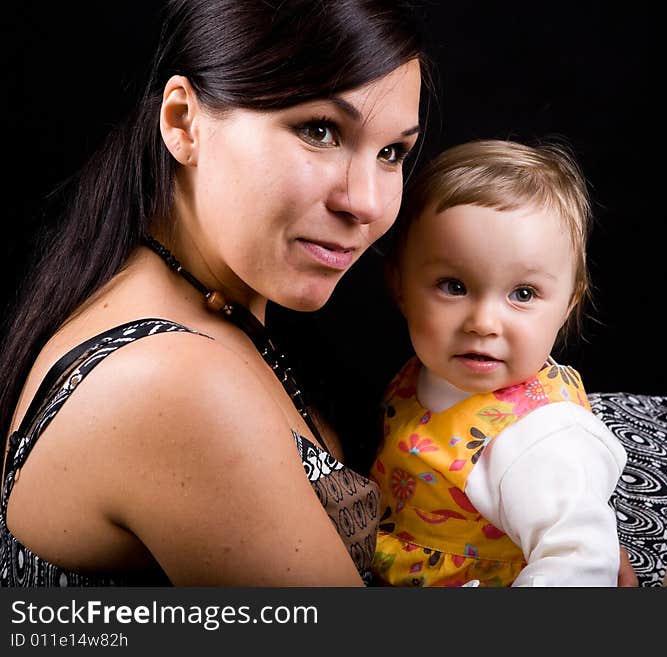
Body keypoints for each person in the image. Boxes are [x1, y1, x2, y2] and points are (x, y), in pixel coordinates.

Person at [0, 0, 427, 587]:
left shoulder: (195, 299)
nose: (366, 203)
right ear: (182, 123)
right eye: (319, 130)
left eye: (391, 153)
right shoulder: (175, 383)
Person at [369, 139, 629, 586]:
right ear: (400, 286)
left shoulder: (539, 437)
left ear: (568, 305)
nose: (484, 323)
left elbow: (580, 562)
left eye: (522, 294)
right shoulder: (426, 373)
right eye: (453, 286)